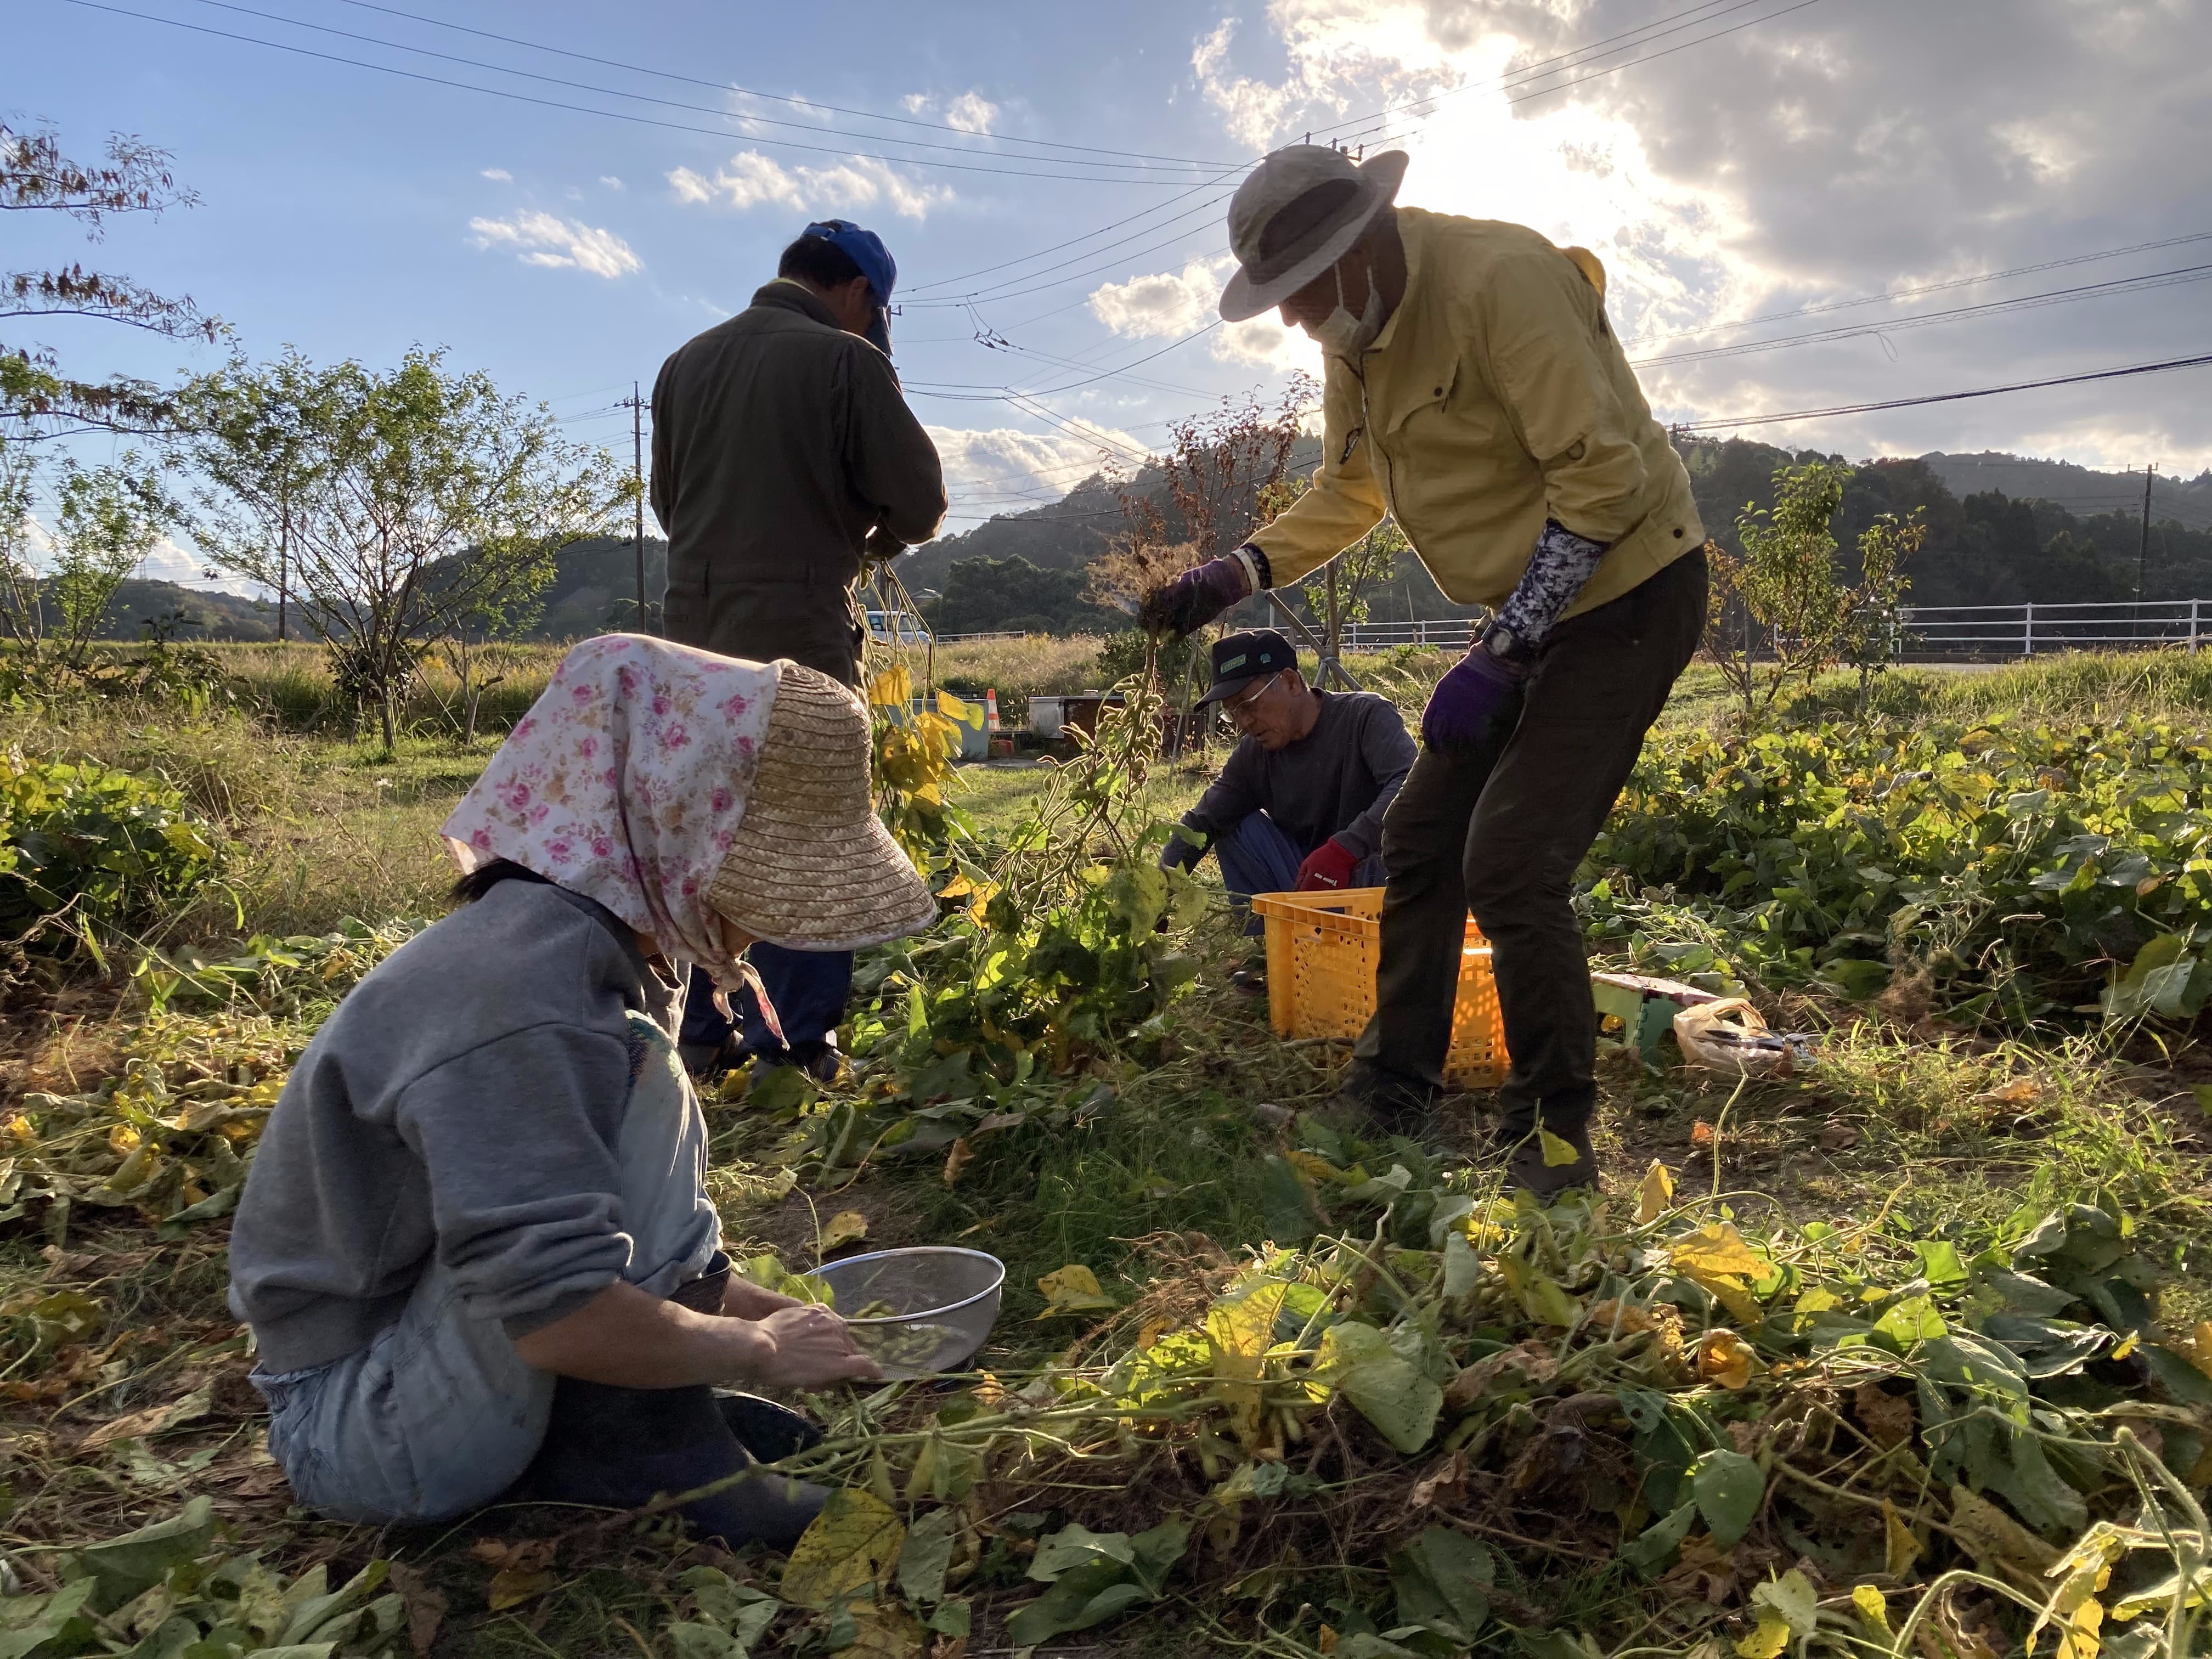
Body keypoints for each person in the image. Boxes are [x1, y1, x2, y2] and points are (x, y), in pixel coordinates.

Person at [227, 635, 938, 1545]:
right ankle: (647, 1448)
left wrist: (778, 1316)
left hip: (414, 1364)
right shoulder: (528, 994)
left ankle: (605, 1438)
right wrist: (758, 1350)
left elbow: (607, 1229)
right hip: (363, 1426)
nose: (763, 916)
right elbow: (555, 1307)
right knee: (644, 1067)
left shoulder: (588, 940)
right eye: (758, 869)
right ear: (673, 818)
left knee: (637, 1073)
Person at [1143, 145, 1710, 1196]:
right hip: (1528, 608)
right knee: (1420, 835)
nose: (1292, 320)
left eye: (1300, 292)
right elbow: (1354, 489)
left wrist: (1499, 651)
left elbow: (1601, 480)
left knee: (1510, 859)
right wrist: (1234, 573)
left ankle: (1552, 1133)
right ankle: (1392, 1087)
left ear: (1359, 246)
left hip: (1629, 584)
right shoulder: (1353, 333)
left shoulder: (1502, 280)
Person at [651, 217, 947, 1084]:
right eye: (873, 313)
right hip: (799, 640)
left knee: (710, 840)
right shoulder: (848, 362)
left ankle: (700, 1041)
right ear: (858, 293)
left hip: (692, 651)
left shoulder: (684, 364)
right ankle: (793, 1046)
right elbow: (920, 507)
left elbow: (674, 507)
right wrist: (854, 538)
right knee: (812, 837)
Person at [1158, 629, 1413, 945]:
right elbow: (1201, 822)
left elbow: (1410, 784)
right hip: (1307, 886)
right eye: (1231, 712)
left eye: (1248, 704)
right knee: (1230, 826)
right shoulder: (1253, 754)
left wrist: (1346, 848)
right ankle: (1273, 951)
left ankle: (1369, 947)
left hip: (1375, 883)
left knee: (1388, 851)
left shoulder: (1365, 716)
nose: (1244, 722)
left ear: (1291, 682)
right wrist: (1157, 893)